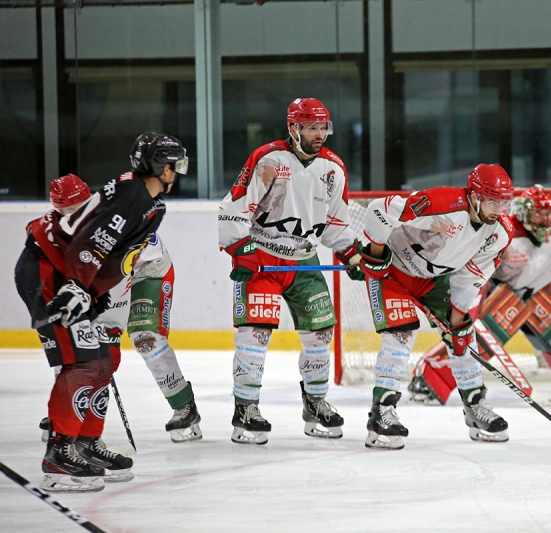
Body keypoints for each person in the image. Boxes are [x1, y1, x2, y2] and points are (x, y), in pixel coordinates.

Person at [15, 132, 187, 492]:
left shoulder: (148, 202)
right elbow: (90, 242)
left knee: (103, 362)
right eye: (174, 165)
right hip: (50, 273)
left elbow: (115, 256)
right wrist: (78, 288)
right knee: (83, 364)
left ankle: (85, 443)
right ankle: (58, 455)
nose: (178, 172)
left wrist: (93, 294)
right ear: (161, 167)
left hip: (68, 276)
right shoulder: (133, 195)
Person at [218, 98, 362, 445]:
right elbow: (235, 207)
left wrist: (351, 253)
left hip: (305, 261)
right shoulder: (269, 159)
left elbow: (335, 224)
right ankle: (245, 408)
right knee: (255, 334)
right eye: (311, 128)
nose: (319, 134)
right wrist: (241, 248)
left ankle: (315, 404)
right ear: (293, 128)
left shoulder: (333, 169)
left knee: (321, 333)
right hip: (263, 261)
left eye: (323, 127)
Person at [408, 185, 551, 404]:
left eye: (549, 213)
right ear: (523, 214)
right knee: (478, 339)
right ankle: (429, 379)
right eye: (538, 214)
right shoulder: (503, 234)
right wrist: (470, 308)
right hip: (499, 296)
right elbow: (474, 270)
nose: (545, 220)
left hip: (540, 296)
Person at [356, 163, 515, 449]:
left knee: (463, 333)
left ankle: (475, 407)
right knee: (400, 334)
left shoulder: (499, 233)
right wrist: (375, 255)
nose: (499, 209)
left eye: (504, 202)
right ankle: (382, 413)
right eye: (493, 201)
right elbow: (381, 209)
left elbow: (472, 276)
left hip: (434, 278)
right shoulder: (442, 203)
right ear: (475, 196)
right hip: (392, 270)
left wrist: (457, 319)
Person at [38, 184, 202, 445]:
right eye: (64, 211)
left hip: (148, 270)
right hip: (110, 274)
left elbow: (116, 275)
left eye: (76, 209)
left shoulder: (108, 227)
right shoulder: (56, 229)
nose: (71, 216)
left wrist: (105, 325)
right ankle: (69, 409)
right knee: (75, 340)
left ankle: (184, 406)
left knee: (145, 338)